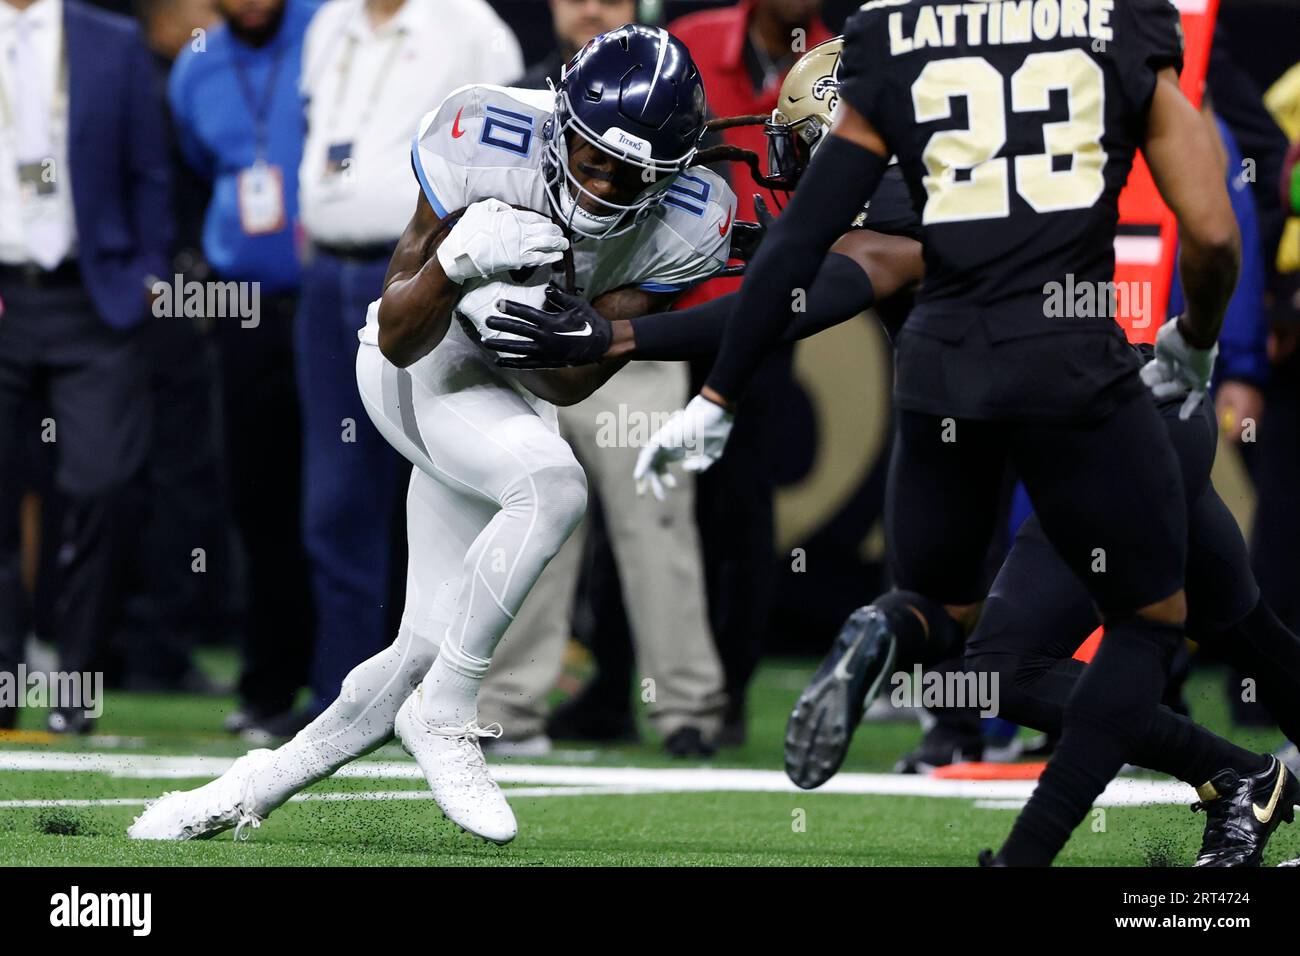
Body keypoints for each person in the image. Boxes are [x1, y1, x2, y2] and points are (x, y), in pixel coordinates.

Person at [485, 35, 1300, 867]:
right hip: (1139, 410)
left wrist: (620, 334)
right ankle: (1246, 779)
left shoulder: (899, 218)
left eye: (806, 143)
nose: (792, 164)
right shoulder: (956, 181)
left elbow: (804, 297)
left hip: (1103, 430)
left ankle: (1224, 776)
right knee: (1249, 626)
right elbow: (797, 264)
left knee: (1010, 666)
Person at [127, 25, 736, 846]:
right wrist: (457, 266)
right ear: (560, 124)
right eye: (588, 159)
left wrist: (558, 328)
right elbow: (396, 331)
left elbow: (570, 379)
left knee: (418, 647)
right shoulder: (481, 132)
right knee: (554, 486)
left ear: (666, 177)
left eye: (625, 177)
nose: (596, 188)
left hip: (513, 389)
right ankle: (449, 712)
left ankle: (253, 786)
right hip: (418, 363)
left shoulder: (694, 219)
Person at [477, 0, 725, 757]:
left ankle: (688, 707)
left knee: (656, 525)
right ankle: (507, 705)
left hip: (626, 346)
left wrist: (615, 323)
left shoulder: (674, 109)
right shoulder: (511, 103)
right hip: (525, 340)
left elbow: (689, 224)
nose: (591, 8)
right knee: (530, 516)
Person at [293, 0, 522, 722]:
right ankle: (343, 688)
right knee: (334, 499)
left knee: (448, 493)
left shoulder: (471, 24)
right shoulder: (330, 21)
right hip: (326, 272)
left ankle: (448, 692)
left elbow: (514, 160)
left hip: (427, 275)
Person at [0, 0, 171, 732]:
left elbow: (150, 171)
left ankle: (76, 686)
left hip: (92, 297)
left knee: (103, 487)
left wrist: (146, 278)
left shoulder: (113, 40)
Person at [666, 0, 832, 744]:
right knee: (648, 508)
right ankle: (619, 681)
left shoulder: (844, 63)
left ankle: (725, 690)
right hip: (663, 302)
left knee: (740, 509)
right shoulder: (692, 44)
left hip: (766, 318)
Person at [168, 0, 318, 738]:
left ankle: (354, 675)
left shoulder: (331, 33)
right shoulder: (195, 67)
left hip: (334, 297)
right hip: (244, 309)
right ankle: (269, 686)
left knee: (344, 499)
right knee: (259, 503)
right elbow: (198, 170)